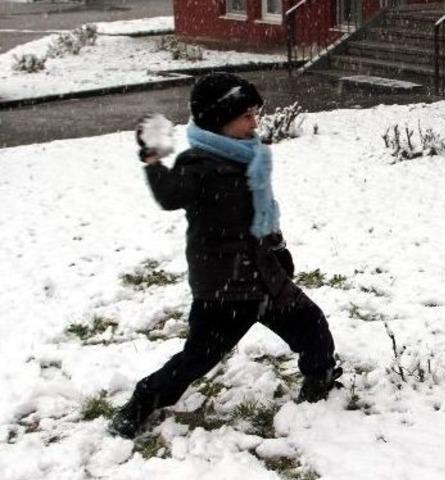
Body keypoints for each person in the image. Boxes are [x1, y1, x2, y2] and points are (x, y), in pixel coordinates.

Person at [109, 72, 340, 439]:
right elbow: (170, 196)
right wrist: (153, 158)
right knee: (196, 359)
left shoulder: (252, 158)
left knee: (312, 326)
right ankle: (144, 399)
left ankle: (320, 379)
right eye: (246, 116)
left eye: (255, 114)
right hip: (224, 289)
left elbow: (263, 213)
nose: (256, 123)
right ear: (219, 120)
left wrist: (278, 249)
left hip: (265, 277)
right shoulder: (198, 165)